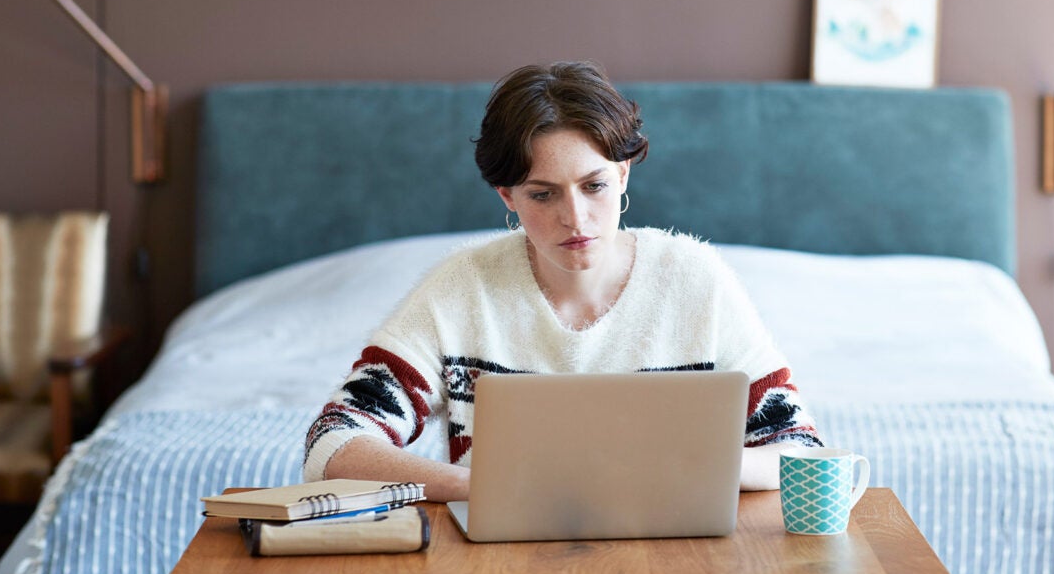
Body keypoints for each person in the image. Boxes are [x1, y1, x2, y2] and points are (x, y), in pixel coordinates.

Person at [302, 61, 822, 501]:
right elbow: (333, 442)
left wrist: (680, 475)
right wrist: (482, 487)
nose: (575, 219)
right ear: (507, 195)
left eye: (593, 186)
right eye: (542, 194)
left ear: (622, 175)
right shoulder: (461, 290)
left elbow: (801, 451)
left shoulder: (696, 282)